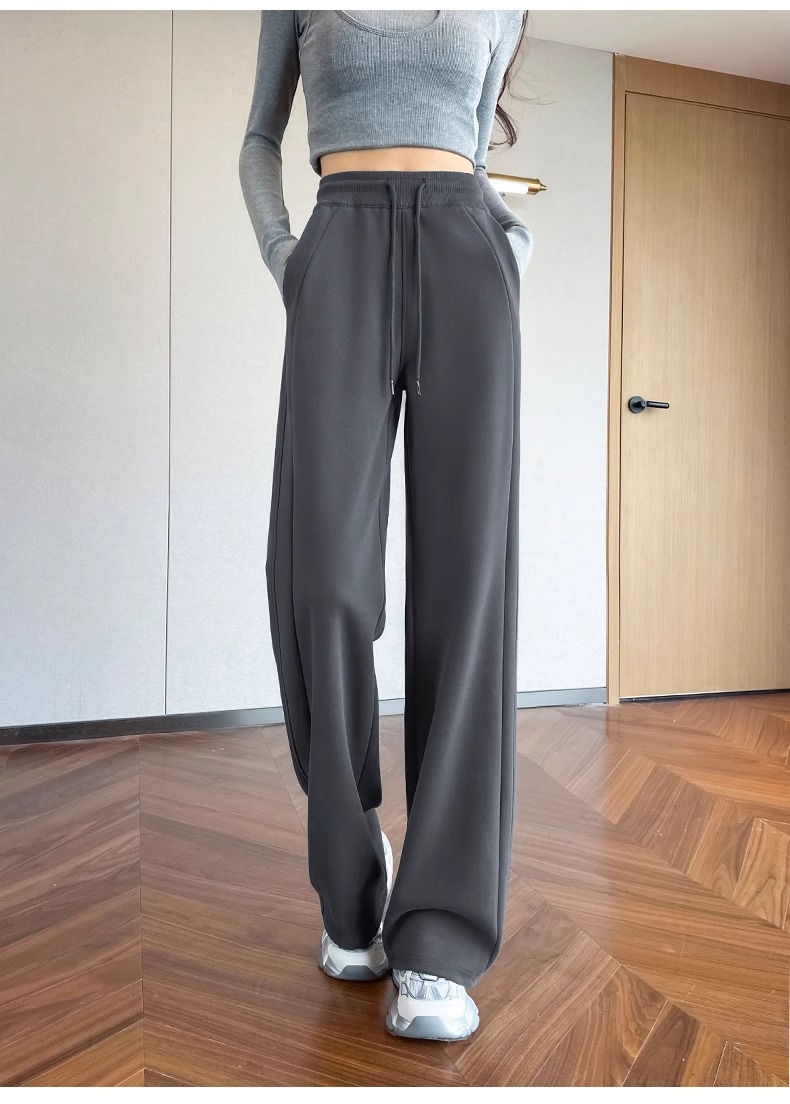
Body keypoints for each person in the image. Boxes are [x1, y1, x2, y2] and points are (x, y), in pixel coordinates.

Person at [239, 9, 533, 1042]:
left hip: (465, 250)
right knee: (320, 579)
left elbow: (470, 146)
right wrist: (289, 256)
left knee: (467, 586)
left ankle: (440, 939)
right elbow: (260, 138)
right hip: (342, 241)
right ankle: (350, 880)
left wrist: (508, 238)